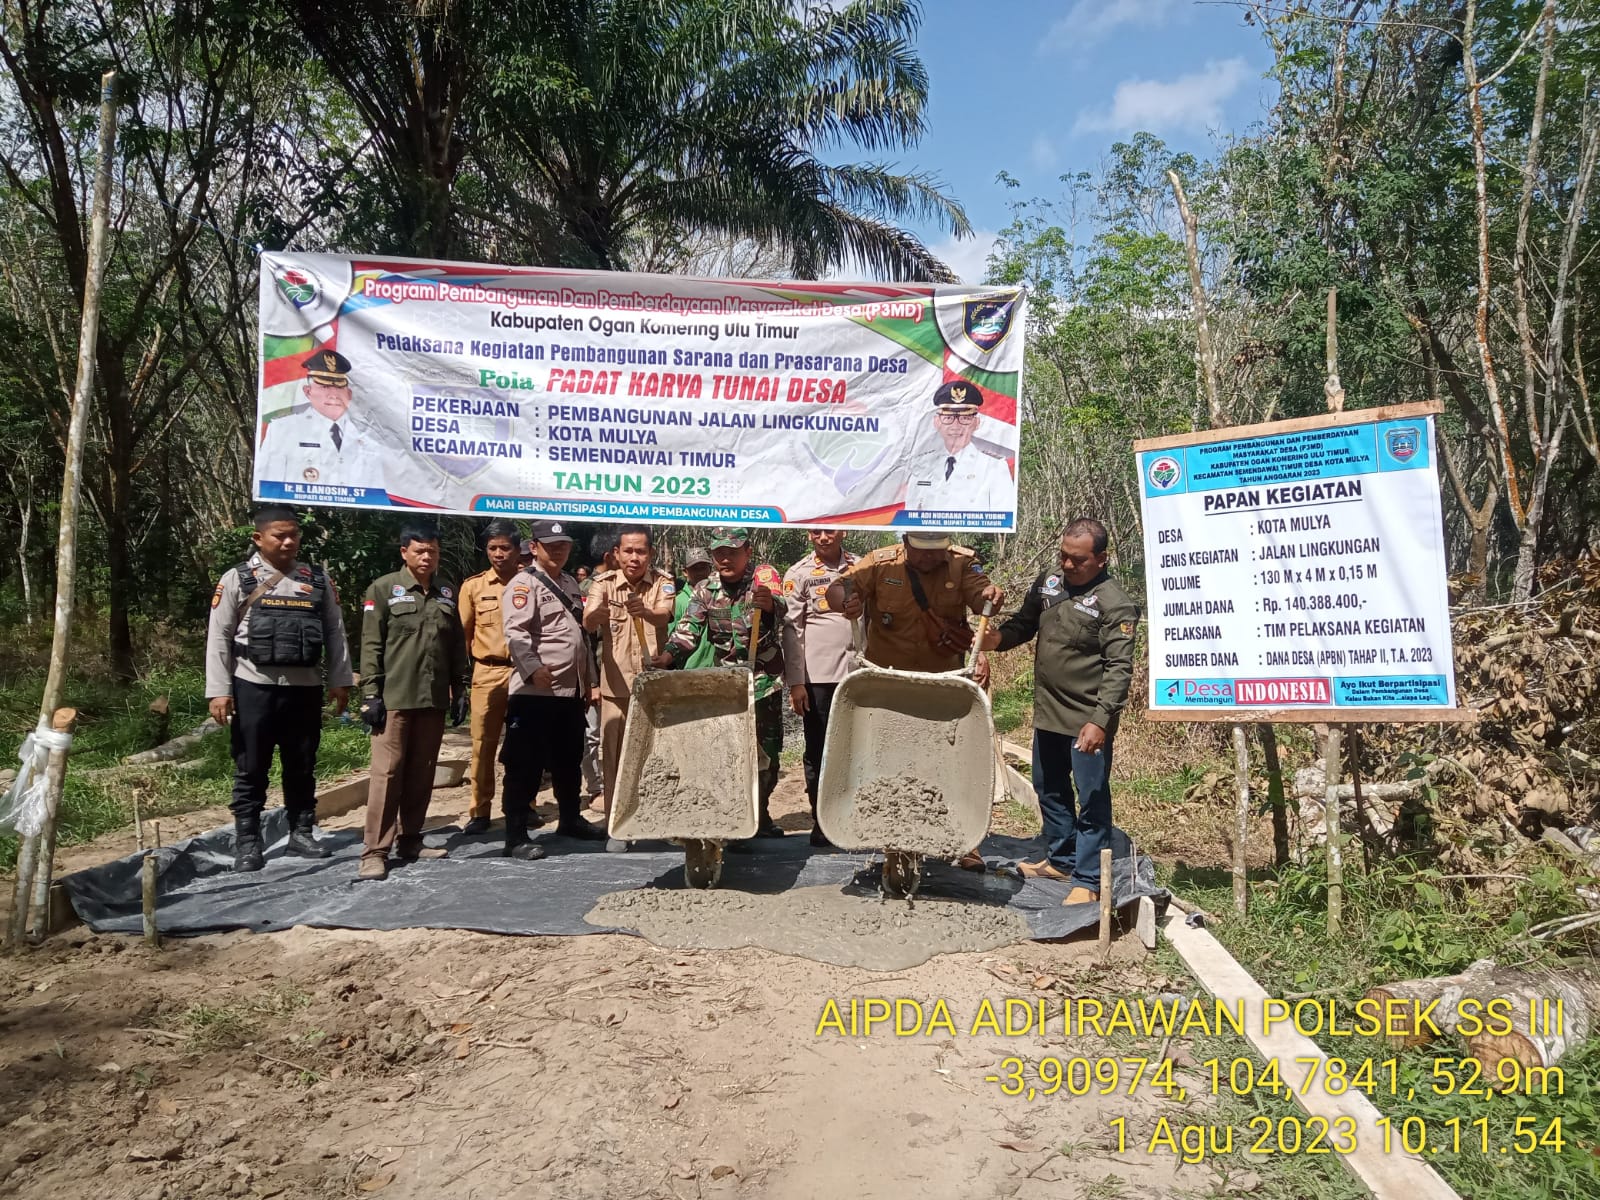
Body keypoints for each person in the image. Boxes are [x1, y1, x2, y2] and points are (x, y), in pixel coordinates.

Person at [980, 517, 1137, 904]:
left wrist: (1100, 721)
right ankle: (1062, 858)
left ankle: (1087, 879)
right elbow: (1024, 624)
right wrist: (997, 639)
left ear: (1101, 559)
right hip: (1048, 712)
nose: (1067, 566)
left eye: (1077, 560)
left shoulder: (1114, 604)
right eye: (1064, 556)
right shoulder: (1050, 582)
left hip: (1086, 718)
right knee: (1048, 787)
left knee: (1091, 795)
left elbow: (1119, 669)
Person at [205, 505, 353, 871]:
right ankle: (248, 843)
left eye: (294, 535)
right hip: (253, 685)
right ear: (258, 538)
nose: (289, 542)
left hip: (304, 688)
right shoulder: (238, 579)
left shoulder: (317, 580)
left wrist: (340, 680)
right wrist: (219, 690)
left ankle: (301, 834)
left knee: (302, 764)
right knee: (251, 767)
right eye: (279, 535)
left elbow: (335, 633)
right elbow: (219, 637)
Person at [654, 528, 786, 837]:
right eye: (719, 552)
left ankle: (760, 812)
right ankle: (733, 813)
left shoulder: (762, 578)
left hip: (763, 681)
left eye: (733, 551)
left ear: (747, 552)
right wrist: (667, 656)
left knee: (767, 751)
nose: (725, 557)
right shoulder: (705, 589)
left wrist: (768, 606)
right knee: (729, 749)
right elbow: (689, 629)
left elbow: (781, 610)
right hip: (728, 683)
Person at [357, 522, 469, 880]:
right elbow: (371, 645)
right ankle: (374, 851)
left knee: (423, 772)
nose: (427, 557)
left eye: (433, 551)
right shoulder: (384, 589)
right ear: (404, 551)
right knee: (387, 774)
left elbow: (455, 646)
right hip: (395, 699)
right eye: (420, 551)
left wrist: (460, 687)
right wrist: (370, 694)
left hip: (432, 698)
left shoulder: (446, 591)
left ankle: (411, 839)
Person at [501, 520, 607, 857]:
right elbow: (515, 633)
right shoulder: (523, 585)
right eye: (550, 545)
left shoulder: (571, 583)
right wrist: (533, 669)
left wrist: (589, 681)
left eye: (563, 544)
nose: (558, 550)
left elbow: (581, 638)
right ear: (534, 548)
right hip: (535, 693)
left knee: (568, 759)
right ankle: (515, 836)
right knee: (525, 764)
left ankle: (570, 819)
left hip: (569, 692)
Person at [582, 526, 675, 851]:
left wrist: (645, 612)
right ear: (616, 554)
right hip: (615, 688)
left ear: (650, 554)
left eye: (641, 552)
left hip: (653, 688)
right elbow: (588, 620)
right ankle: (617, 826)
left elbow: (664, 616)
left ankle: (656, 820)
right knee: (614, 757)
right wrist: (598, 614)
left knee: (657, 755)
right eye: (628, 551)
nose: (634, 558)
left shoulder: (663, 582)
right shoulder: (603, 584)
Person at [827, 532, 1003, 678]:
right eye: (921, 549)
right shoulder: (880, 563)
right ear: (905, 541)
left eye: (935, 549)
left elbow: (983, 600)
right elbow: (838, 588)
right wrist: (846, 601)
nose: (928, 555)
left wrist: (992, 597)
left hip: (943, 679)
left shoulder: (962, 563)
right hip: (885, 677)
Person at [781, 529, 859, 847]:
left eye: (830, 531)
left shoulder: (862, 566)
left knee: (856, 749)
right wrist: (796, 682)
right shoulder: (799, 573)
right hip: (819, 677)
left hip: (858, 673)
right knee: (819, 751)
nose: (823, 538)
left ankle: (853, 818)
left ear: (842, 531)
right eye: (817, 532)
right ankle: (822, 820)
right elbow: (791, 628)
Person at [457, 519, 533, 835]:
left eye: (505, 548)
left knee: (524, 745)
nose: (499, 554)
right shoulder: (473, 587)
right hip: (486, 672)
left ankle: (523, 806)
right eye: (493, 548)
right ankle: (480, 810)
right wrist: (459, 682)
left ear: (518, 550)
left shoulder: (530, 583)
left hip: (523, 673)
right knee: (482, 745)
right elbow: (464, 635)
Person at [256, 349, 386, 493]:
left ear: (349, 394)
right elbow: (267, 488)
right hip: (301, 513)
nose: (333, 395)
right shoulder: (283, 429)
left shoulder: (368, 436)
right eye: (324, 386)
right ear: (307, 392)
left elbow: (377, 493)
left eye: (339, 387)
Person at [905, 380, 1012, 514]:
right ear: (937, 422)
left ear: (976, 423)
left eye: (965, 418)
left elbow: (1003, 519)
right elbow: (910, 515)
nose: (956, 425)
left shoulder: (993, 467)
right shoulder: (921, 465)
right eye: (948, 417)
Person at [672, 546, 717, 669]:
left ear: (710, 569)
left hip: (718, 669)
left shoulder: (719, 596)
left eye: (703, 568)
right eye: (694, 569)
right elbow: (670, 636)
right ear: (685, 572)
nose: (700, 573)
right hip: (689, 671)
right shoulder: (679, 602)